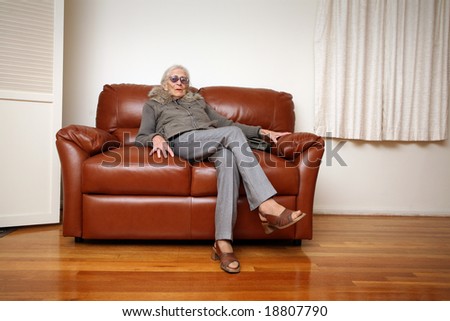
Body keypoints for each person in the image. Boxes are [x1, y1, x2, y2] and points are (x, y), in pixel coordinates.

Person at [136, 65, 306, 274]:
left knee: (228, 158)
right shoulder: (153, 104)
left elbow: (225, 123)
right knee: (232, 134)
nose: (180, 82)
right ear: (164, 83)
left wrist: (262, 131)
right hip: (183, 141)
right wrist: (155, 137)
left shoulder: (198, 102)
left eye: (184, 79)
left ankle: (223, 242)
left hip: (212, 141)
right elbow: (142, 136)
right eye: (174, 78)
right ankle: (267, 205)